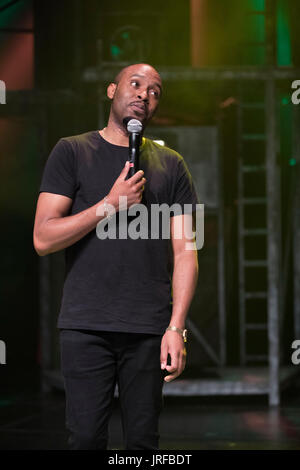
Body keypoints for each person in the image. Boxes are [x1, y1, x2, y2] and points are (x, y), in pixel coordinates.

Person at [33, 63, 199, 450]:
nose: (144, 94)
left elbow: (186, 251)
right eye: (136, 84)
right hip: (86, 325)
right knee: (87, 438)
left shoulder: (172, 164)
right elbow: (43, 238)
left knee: (142, 444)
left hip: (148, 329)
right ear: (112, 90)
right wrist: (109, 205)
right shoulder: (72, 150)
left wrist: (176, 328)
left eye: (155, 91)